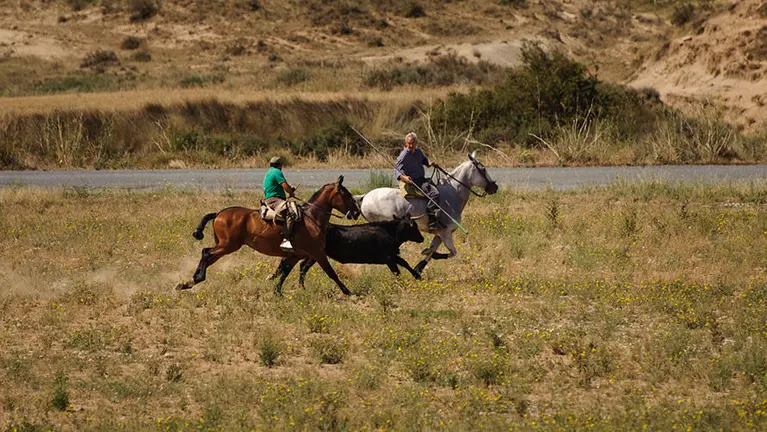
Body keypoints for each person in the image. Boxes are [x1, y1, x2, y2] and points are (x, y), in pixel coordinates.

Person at [395, 132, 444, 230]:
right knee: (435, 194)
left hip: (422, 178)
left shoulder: (418, 151)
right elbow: (397, 170)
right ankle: (432, 221)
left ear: (416, 143)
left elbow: (424, 161)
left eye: (413, 143)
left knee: (439, 188)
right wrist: (405, 178)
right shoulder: (404, 155)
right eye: (409, 143)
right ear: (406, 143)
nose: (411, 145)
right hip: (415, 182)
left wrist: (430, 163)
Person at [263, 156, 297, 250]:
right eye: (281, 165)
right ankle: (286, 239)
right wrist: (291, 192)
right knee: (291, 213)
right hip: (274, 200)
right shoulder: (277, 172)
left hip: (271, 198)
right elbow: (285, 185)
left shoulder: (269, 172)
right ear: (279, 165)